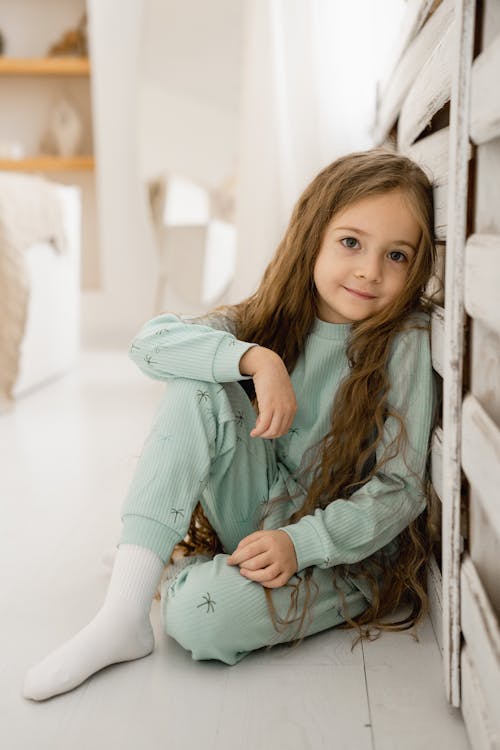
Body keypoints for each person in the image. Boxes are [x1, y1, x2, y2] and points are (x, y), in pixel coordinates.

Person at [23, 148, 438, 701]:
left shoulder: (404, 341)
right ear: (314, 235)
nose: (369, 269)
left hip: (338, 556)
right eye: (351, 243)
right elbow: (150, 344)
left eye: (398, 256)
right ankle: (123, 613)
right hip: (255, 518)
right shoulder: (269, 316)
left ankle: (166, 571)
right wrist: (256, 360)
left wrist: (301, 541)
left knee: (198, 619)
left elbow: (400, 488)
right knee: (200, 378)